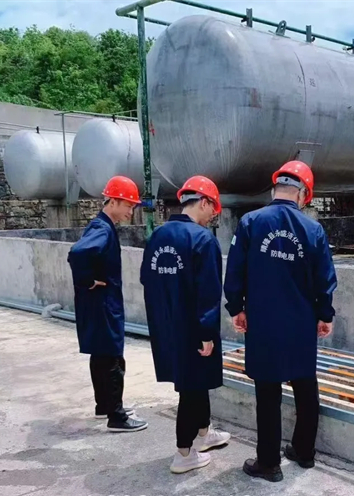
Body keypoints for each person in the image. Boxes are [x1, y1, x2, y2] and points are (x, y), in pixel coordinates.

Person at [224, 161, 337, 482]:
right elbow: (325, 279)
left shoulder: (250, 222)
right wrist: (324, 315)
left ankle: (269, 463)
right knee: (305, 385)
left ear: (275, 188)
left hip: (263, 322)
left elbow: (235, 271)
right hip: (301, 323)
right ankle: (304, 451)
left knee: (268, 391)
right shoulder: (313, 230)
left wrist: (236, 308)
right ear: (303, 194)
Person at [140, 176, 230, 474]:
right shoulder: (203, 240)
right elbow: (209, 293)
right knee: (192, 387)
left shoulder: (158, 235)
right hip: (193, 327)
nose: (213, 215)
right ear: (203, 202)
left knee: (195, 381)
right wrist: (207, 333)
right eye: (213, 209)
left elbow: (146, 279)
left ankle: (204, 433)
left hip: (166, 324)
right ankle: (184, 452)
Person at [67, 176, 148, 433]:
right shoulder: (102, 229)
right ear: (112, 201)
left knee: (100, 355)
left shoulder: (101, 226)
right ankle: (117, 415)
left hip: (98, 303)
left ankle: (104, 405)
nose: (130, 211)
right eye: (128, 205)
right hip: (103, 304)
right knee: (112, 357)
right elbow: (78, 253)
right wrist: (87, 280)